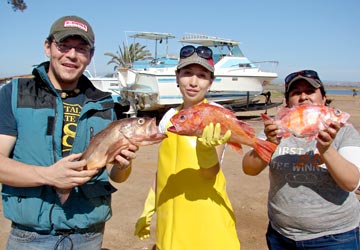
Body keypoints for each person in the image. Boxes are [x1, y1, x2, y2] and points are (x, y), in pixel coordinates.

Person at [0, 15, 137, 249]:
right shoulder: (14, 94)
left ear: (90, 55)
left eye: (81, 48)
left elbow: (117, 177)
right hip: (30, 238)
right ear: (48, 47)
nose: (72, 55)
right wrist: (49, 176)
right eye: (64, 46)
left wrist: (123, 165)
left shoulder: (107, 105)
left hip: (89, 236)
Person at [135, 45, 240, 249]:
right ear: (177, 77)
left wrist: (206, 151)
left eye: (201, 75)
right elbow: (163, 168)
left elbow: (211, 172)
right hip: (170, 224)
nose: (193, 82)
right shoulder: (169, 117)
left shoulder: (216, 115)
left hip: (205, 224)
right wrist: (150, 205)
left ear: (210, 82)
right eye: (187, 73)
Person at [242, 69, 360, 249]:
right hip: (281, 236)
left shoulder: (345, 131)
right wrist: (270, 143)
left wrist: (326, 150)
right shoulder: (275, 128)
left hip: (335, 238)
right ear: (287, 102)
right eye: (296, 93)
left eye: (310, 91)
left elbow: (352, 182)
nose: (303, 97)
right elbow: (249, 169)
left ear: (323, 99)